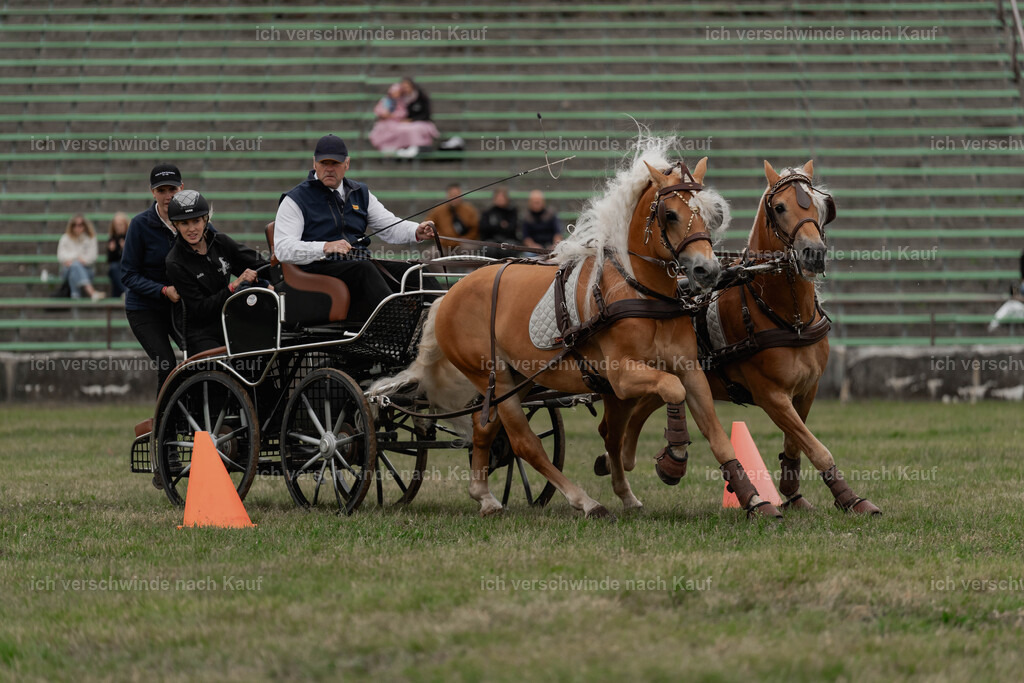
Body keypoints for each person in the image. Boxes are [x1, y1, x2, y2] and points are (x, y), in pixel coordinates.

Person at [274, 134, 436, 322]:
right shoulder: (295, 199)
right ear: (314, 163)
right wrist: (325, 247)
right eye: (323, 163)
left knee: (417, 273)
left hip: (357, 263)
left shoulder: (360, 192)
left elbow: (389, 225)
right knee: (364, 268)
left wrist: (416, 230)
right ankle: (398, 327)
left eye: (334, 163)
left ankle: (442, 325)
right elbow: (283, 248)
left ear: (346, 164)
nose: (329, 169)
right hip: (318, 267)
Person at [165, 190, 269, 355]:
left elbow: (258, 264)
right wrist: (232, 287)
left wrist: (275, 277)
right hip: (201, 332)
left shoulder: (221, 242)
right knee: (224, 366)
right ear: (175, 225)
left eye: (196, 221)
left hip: (230, 321)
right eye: (184, 223)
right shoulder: (175, 262)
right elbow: (200, 310)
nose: (192, 229)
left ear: (206, 220)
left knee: (266, 350)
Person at [121, 163, 185, 393]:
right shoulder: (139, 225)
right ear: (152, 192)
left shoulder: (192, 220)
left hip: (178, 307)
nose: (168, 196)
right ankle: (164, 426)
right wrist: (162, 290)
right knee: (167, 366)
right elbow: (128, 274)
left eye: (172, 190)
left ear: (182, 188)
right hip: (144, 309)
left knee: (200, 360)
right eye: (162, 190)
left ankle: (200, 425)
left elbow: (222, 248)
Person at [57, 214, 104, 300]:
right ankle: (91, 292)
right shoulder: (65, 238)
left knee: (74, 269)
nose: (77, 227)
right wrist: (78, 258)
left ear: (85, 226)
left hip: (87, 270)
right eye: (74, 225)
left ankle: (75, 295)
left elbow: (92, 257)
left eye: (80, 225)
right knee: (75, 265)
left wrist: (73, 260)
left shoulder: (90, 238)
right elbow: (61, 256)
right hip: (66, 270)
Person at [479, 187, 519, 258]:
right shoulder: (488, 212)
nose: (500, 199)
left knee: (508, 248)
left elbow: (513, 228)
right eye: (498, 197)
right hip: (491, 240)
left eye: (502, 197)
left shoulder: (512, 212)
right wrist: (501, 226)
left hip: (508, 239)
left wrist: (495, 226)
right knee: (489, 249)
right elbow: (484, 228)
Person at [107, 212, 129, 298]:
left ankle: (125, 293)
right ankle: (125, 291)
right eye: (116, 225)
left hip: (127, 266)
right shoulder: (112, 239)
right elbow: (109, 260)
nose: (118, 227)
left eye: (120, 224)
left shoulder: (130, 236)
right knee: (113, 268)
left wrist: (125, 248)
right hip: (117, 267)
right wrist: (112, 251)